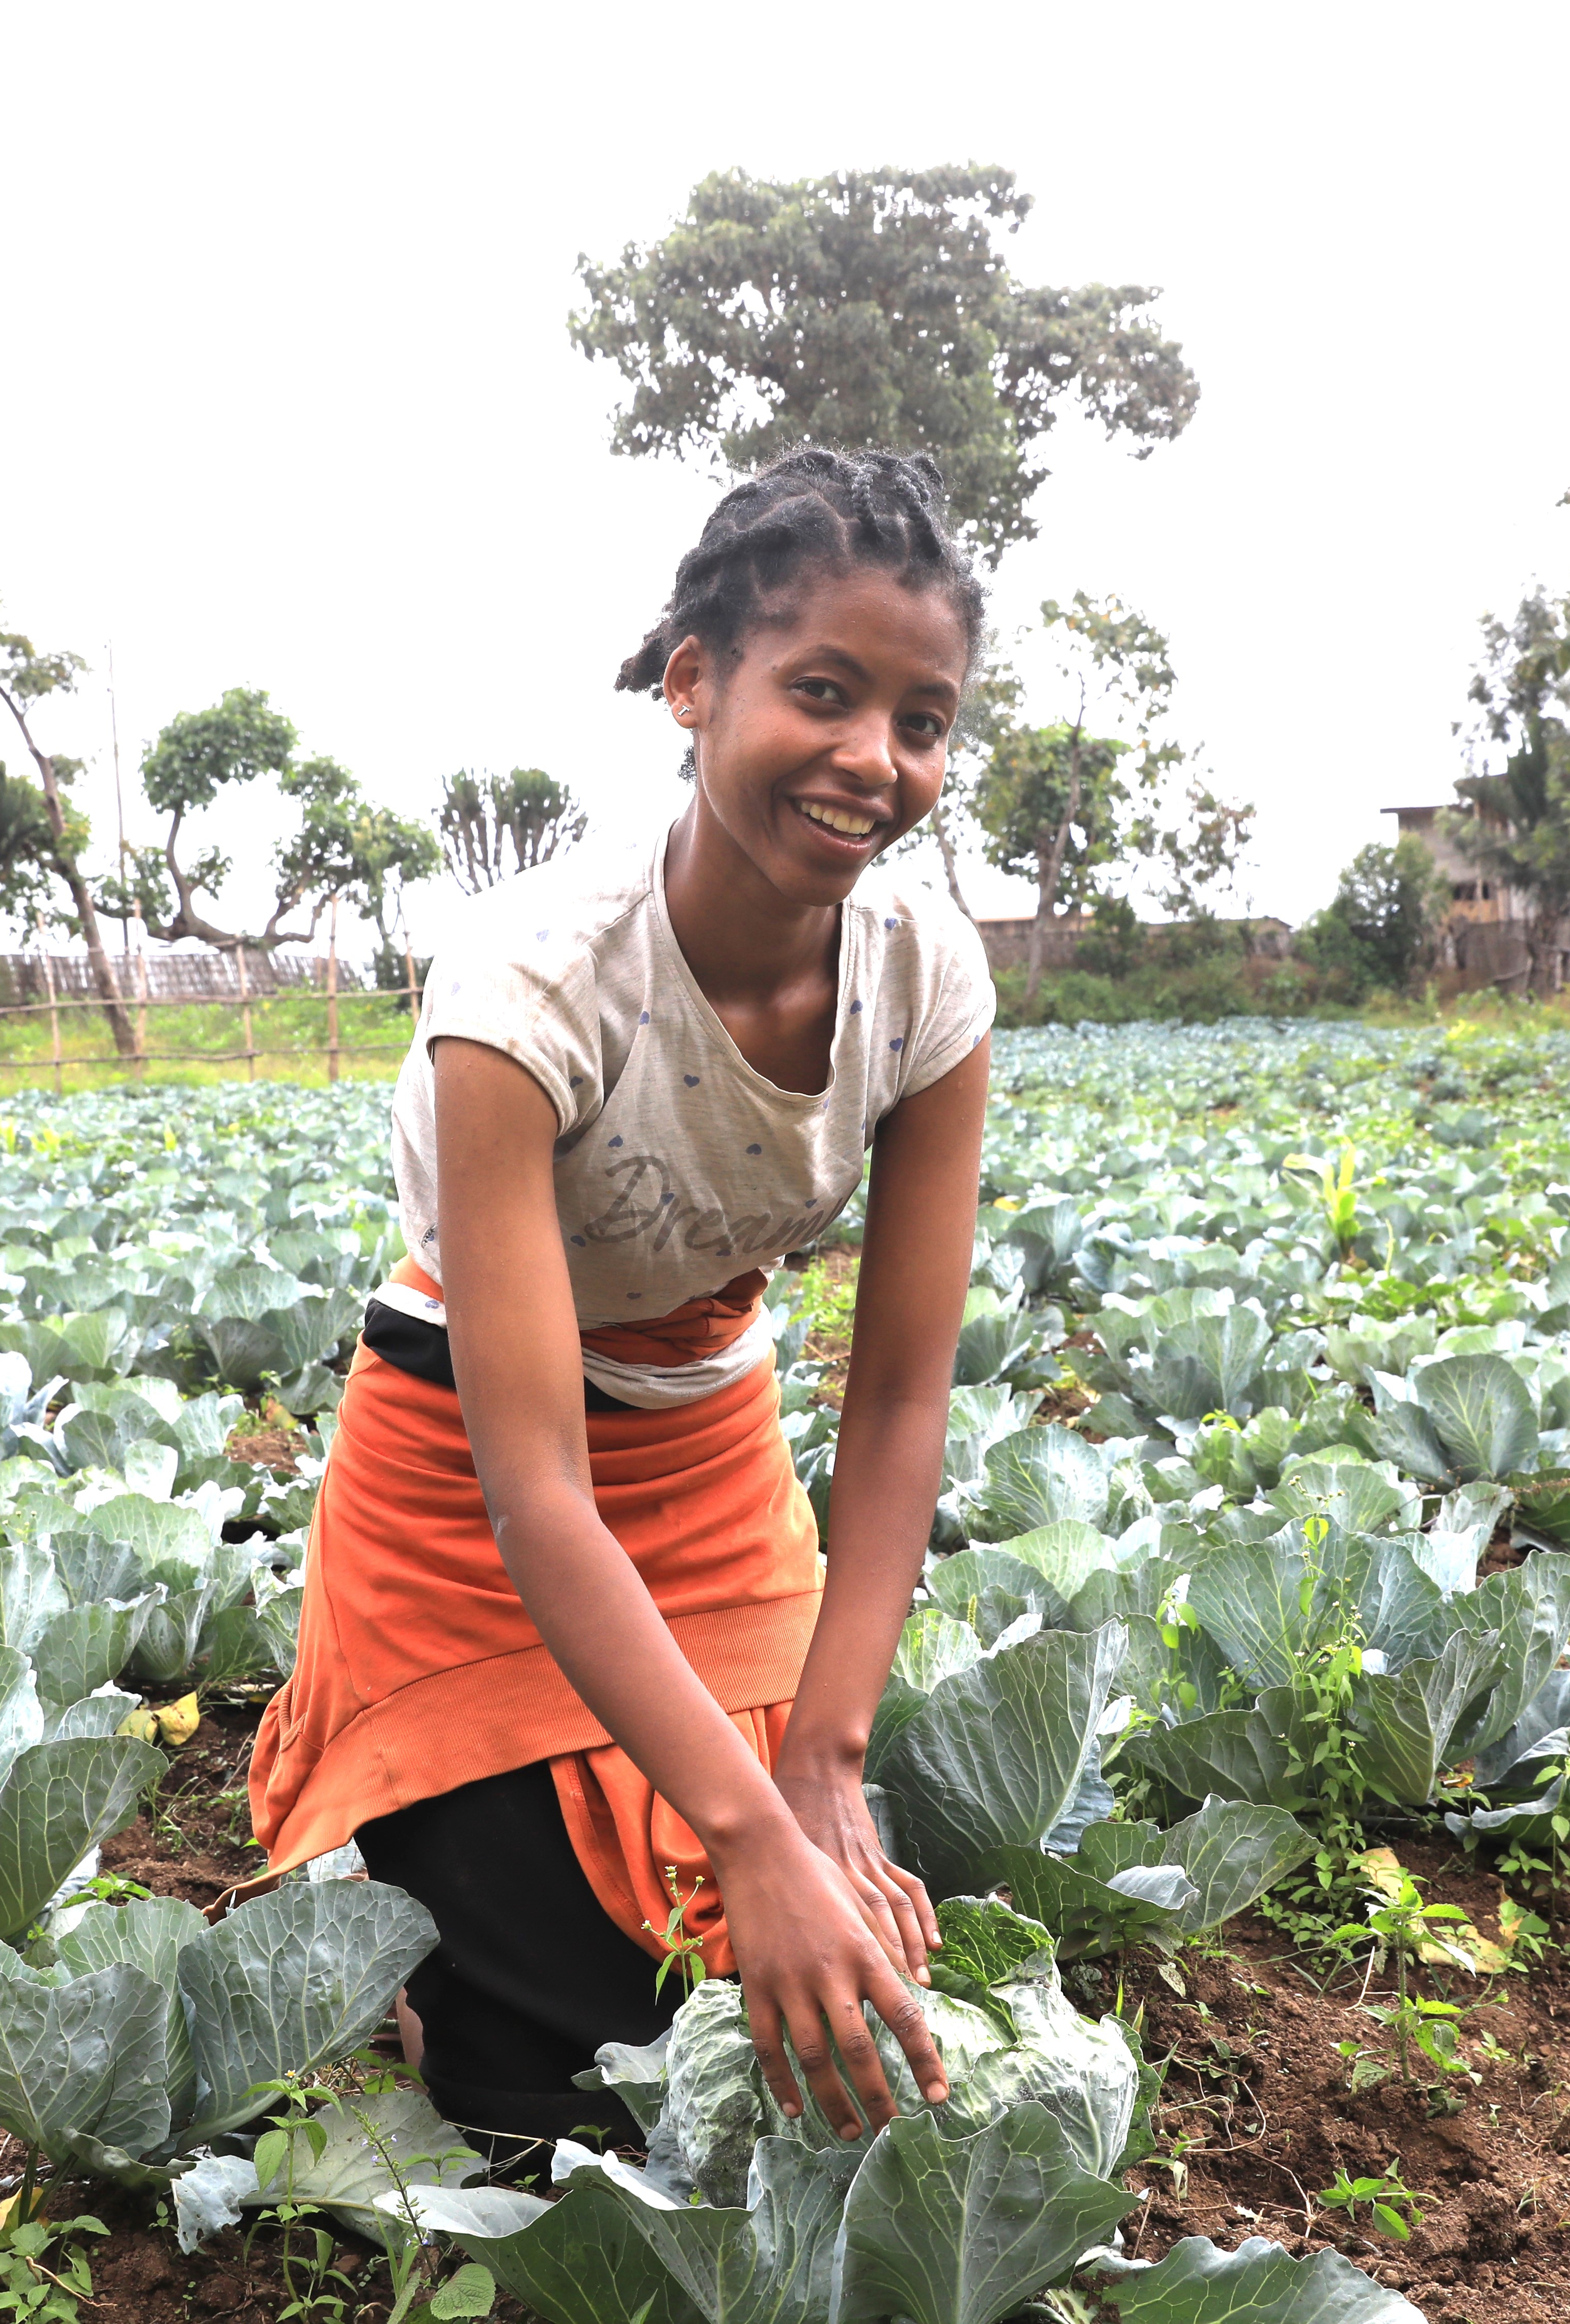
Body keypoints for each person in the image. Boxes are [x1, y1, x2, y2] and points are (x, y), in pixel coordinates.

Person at [249, 445, 997, 2157]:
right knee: (562, 2055)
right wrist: (745, 1833)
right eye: (825, 692)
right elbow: (537, 1490)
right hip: (473, 1486)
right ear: (691, 686)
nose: (874, 760)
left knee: (825, 1951)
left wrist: (819, 1764)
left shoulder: (926, 979)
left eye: (924, 719)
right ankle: (413, 1841)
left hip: (711, 1465)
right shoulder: (529, 983)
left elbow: (893, 1408)